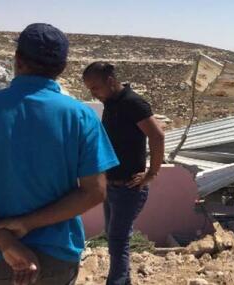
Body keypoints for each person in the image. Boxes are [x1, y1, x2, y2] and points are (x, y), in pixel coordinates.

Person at [0, 23, 119, 285]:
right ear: (61, 68)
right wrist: (27, 223)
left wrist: (6, 241)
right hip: (56, 258)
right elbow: (94, 191)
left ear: (17, 60)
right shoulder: (80, 116)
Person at [82, 62, 165, 285]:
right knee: (113, 235)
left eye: (95, 88)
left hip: (129, 187)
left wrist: (152, 173)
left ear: (110, 81)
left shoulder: (133, 103)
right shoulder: (111, 103)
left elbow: (157, 136)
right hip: (111, 185)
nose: (93, 94)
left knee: (118, 240)